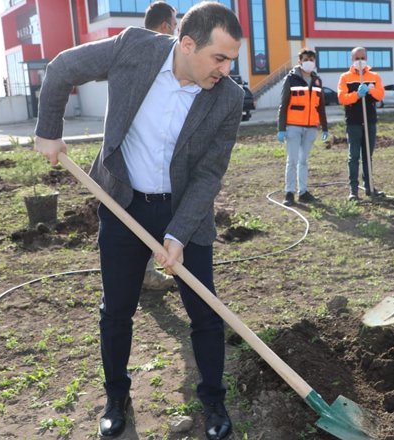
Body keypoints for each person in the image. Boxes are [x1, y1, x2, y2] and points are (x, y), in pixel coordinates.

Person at [33, 3, 243, 439]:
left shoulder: (228, 97)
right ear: (187, 44)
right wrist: (48, 129)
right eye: (219, 58)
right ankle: (116, 397)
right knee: (117, 311)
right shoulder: (134, 48)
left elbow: (208, 174)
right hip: (124, 202)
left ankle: (213, 401)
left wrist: (178, 234)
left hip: (184, 209)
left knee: (204, 313)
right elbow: (61, 68)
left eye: (231, 60)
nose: (226, 69)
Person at [141, 0, 179, 290]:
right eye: (175, 25)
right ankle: (145, 274)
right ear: (166, 26)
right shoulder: (151, 60)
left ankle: (145, 274)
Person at [276, 48, 329, 206]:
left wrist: (324, 127)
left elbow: (321, 106)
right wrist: (281, 128)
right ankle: (289, 193)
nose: (309, 62)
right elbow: (283, 104)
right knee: (292, 161)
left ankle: (303, 192)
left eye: (312, 59)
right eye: (306, 59)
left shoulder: (317, 80)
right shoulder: (291, 79)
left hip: (311, 127)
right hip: (293, 126)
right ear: (300, 61)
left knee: (303, 161)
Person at [338, 47, 385, 200]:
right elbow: (342, 98)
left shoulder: (374, 76)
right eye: (357, 58)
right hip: (353, 122)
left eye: (362, 57)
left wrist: (370, 91)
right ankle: (353, 190)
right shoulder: (345, 77)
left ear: (366, 58)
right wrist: (356, 95)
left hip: (369, 121)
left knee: (367, 156)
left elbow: (380, 95)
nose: (360, 61)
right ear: (352, 60)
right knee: (354, 156)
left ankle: (369, 187)